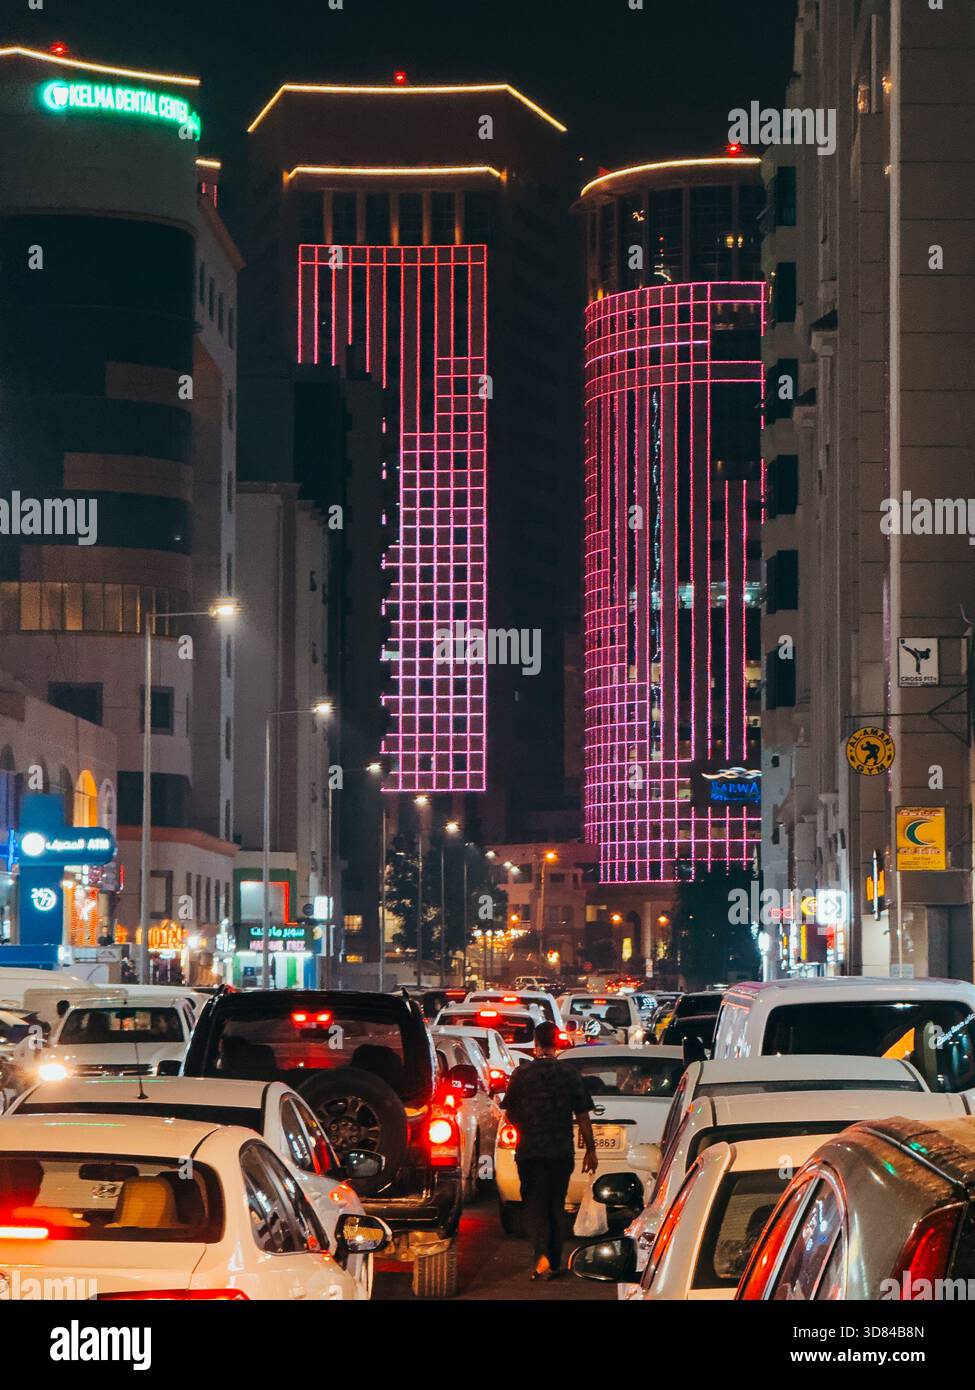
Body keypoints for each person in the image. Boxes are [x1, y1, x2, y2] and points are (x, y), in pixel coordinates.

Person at [500, 1019, 598, 1280]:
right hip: (560, 1151)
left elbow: (509, 1112)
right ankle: (554, 1261)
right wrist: (591, 1149)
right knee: (556, 1203)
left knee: (534, 1204)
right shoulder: (569, 1074)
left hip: (530, 1150)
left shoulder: (522, 1074)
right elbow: (583, 1115)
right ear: (557, 1042)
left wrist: (527, 1122)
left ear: (535, 1043)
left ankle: (540, 1254)